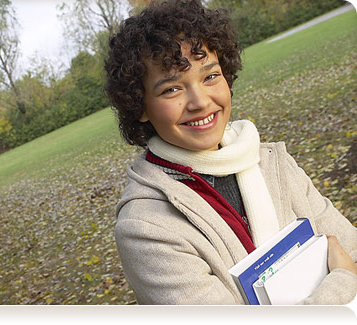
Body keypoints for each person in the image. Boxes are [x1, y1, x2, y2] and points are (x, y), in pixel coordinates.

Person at [104, 0, 357, 304]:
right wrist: (342, 283)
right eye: (172, 88)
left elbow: (350, 246)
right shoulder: (145, 229)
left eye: (210, 76)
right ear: (139, 105)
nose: (200, 101)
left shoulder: (271, 162)